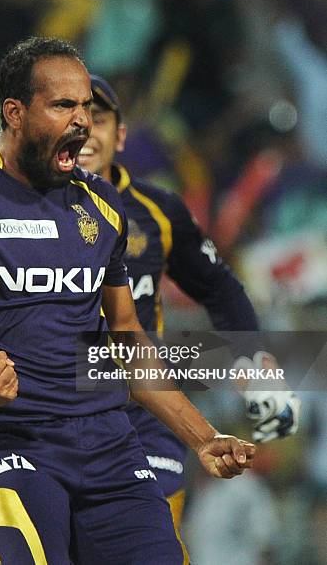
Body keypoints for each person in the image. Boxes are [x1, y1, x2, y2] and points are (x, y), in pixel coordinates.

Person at [0, 36, 255, 565]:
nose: (82, 121)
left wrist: (201, 437)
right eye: (63, 105)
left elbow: (128, 338)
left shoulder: (101, 205)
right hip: (11, 439)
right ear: (14, 113)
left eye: (86, 105)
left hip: (110, 442)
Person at [80, 74, 301, 528]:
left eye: (97, 119)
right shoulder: (12, 211)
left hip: (148, 414)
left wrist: (252, 363)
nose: (83, 130)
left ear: (120, 134)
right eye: (70, 117)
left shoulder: (157, 211)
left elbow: (219, 289)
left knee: (154, 540)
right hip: (56, 414)